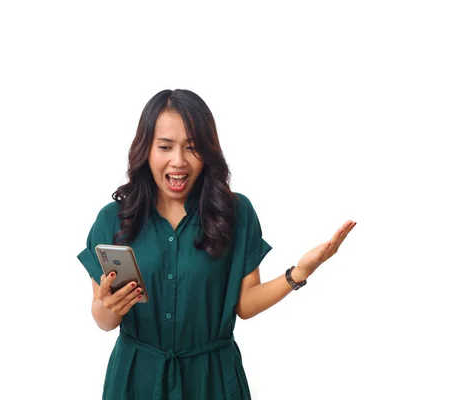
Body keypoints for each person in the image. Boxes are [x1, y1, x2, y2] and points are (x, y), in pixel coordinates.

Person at [77, 89, 356, 399]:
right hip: (136, 379)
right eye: (165, 146)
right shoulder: (113, 219)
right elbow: (104, 321)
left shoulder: (235, 212)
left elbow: (244, 304)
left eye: (192, 147)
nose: (178, 161)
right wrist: (107, 306)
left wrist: (301, 271)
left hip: (213, 379)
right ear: (147, 150)